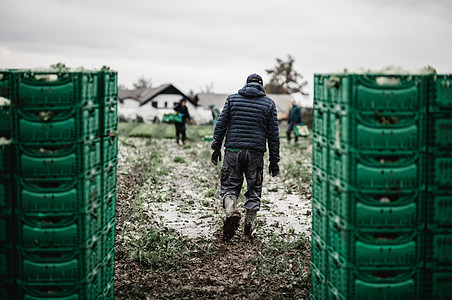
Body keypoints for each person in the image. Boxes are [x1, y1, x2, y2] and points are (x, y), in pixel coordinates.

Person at [211, 73, 280, 240]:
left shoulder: (232, 99)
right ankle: (248, 230)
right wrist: (274, 159)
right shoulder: (269, 104)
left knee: (229, 186)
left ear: (246, 84)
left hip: (233, 151)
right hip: (255, 153)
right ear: (262, 86)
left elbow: (221, 124)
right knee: (253, 190)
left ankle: (231, 211)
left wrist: (216, 147)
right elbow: (273, 134)